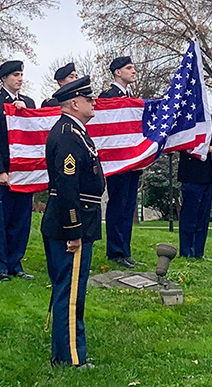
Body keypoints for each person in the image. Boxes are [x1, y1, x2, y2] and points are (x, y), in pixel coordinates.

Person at [41, 75, 105, 368]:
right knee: (70, 294)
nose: (93, 103)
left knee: (69, 290)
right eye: (89, 99)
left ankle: (63, 353)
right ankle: (71, 358)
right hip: (72, 222)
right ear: (75, 103)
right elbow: (66, 186)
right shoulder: (68, 134)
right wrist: (74, 230)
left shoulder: (76, 132)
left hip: (81, 218)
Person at [0, 60, 36, 281]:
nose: (20, 78)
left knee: (21, 221)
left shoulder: (29, 103)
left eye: (21, 74)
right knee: (1, 222)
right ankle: (1, 266)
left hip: (24, 174)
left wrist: (25, 114)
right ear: (3, 79)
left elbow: (35, 137)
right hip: (2, 173)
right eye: (15, 75)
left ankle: (16, 263)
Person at [99, 56, 140, 268]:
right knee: (117, 205)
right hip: (116, 161)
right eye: (129, 68)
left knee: (129, 206)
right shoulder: (107, 97)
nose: (133, 71)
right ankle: (115, 250)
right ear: (117, 72)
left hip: (132, 160)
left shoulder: (132, 97)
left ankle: (126, 249)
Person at [178, 108, 212, 259]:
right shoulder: (186, 114)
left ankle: (198, 252)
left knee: (203, 218)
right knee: (189, 217)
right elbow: (182, 142)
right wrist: (206, 149)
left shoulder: (205, 114)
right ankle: (187, 252)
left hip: (207, 174)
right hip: (191, 174)